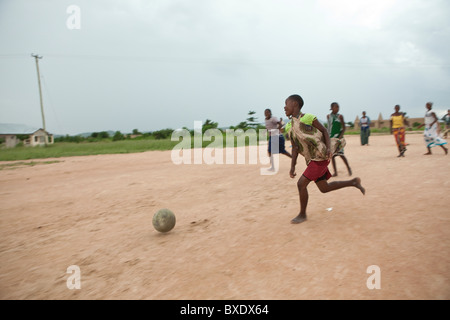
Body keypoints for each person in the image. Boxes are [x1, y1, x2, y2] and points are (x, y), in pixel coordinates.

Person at [284, 94, 365, 224]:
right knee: (324, 188)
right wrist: (292, 166)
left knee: (301, 184)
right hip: (312, 160)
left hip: (320, 156)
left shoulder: (308, 118)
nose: (284, 107)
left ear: (295, 104)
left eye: (286, 103)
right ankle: (354, 182)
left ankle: (302, 214)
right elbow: (295, 148)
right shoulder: (289, 126)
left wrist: (328, 148)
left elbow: (324, 131)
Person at [327, 102, 352, 176]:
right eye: (336, 107)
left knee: (341, 154)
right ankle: (335, 172)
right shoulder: (328, 116)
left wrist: (340, 137)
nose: (338, 108)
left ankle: (349, 168)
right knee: (333, 156)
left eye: (338, 107)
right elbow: (329, 128)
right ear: (331, 108)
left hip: (338, 138)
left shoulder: (340, 116)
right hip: (331, 138)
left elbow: (344, 128)